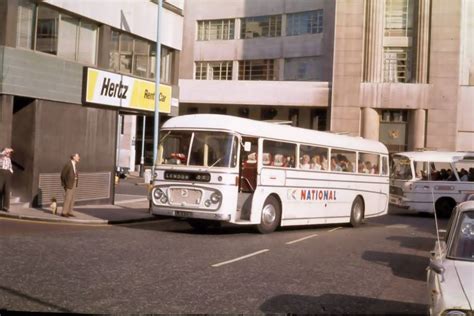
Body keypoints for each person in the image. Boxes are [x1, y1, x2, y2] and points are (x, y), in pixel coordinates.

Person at [0, 148, 14, 212]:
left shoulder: (9, 159)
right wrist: (5, 151)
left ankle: (6, 207)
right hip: (1, 172)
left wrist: (11, 171)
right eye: (8, 153)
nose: (9, 154)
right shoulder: (1, 157)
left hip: (7, 174)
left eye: (9, 153)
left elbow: (10, 166)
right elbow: (1, 154)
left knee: (7, 190)